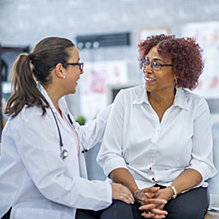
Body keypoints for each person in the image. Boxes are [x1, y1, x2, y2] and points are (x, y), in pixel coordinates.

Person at [0, 37, 137, 219]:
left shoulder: (57, 105)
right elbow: (52, 183)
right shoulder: (32, 116)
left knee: (120, 209)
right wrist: (106, 191)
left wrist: (122, 104)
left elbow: (80, 139)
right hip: (30, 210)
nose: (82, 71)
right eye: (78, 64)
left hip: (58, 203)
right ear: (60, 70)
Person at [97, 34, 217, 219]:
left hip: (180, 188)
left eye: (157, 64)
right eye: (146, 61)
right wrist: (137, 192)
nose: (147, 69)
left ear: (178, 71)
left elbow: (202, 162)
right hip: (132, 184)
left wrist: (168, 192)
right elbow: (110, 154)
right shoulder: (125, 99)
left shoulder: (196, 106)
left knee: (186, 214)